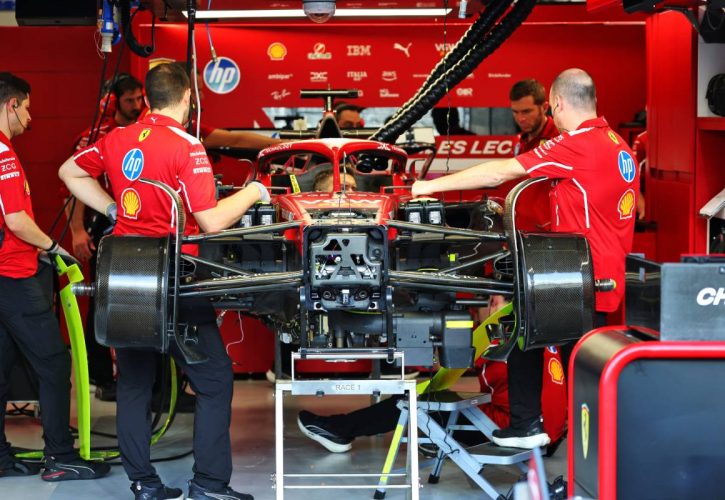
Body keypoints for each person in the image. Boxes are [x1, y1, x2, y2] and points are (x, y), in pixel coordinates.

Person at [59, 62, 267, 500]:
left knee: (135, 382)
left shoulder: (117, 138)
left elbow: (69, 172)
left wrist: (113, 208)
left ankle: (143, 484)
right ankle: (209, 485)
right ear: (188, 97)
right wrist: (255, 192)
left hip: (126, 275)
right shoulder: (187, 146)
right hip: (176, 276)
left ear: (148, 99)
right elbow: (211, 221)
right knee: (214, 380)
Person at [412, 68, 639, 449]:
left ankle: (572, 452)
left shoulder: (578, 144)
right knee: (527, 334)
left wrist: (428, 186)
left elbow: (500, 172)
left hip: (577, 280)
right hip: (598, 275)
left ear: (557, 103)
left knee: (581, 384)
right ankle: (528, 424)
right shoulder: (617, 143)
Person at [0, 72, 110, 481]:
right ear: (11, 105)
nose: (30, 118)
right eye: (27, 109)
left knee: (2, 368)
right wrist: (52, 247)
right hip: (14, 276)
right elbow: (16, 219)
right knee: (54, 364)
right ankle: (60, 458)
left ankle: (0, 457)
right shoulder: (3, 154)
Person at [297, 296, 567, 454]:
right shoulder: (538, 333)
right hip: (551, 431)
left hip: (514, 427)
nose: (478, 311)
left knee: (410, 404)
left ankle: (339, 430)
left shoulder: (498, 342)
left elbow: (446, 373)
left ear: (496, 304)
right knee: (428, 399)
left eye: (483, 303)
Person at [65, 73, 146, 402]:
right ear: (112, 102)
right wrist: (77, 230)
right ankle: (101, 376)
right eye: (129, 100)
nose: (136, 105)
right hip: (102, 229)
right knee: (103, 301)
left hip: (137, 229)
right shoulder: (94, 137)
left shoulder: (142, 133)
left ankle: (140, 378)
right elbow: (72, 187)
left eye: (140, 98)